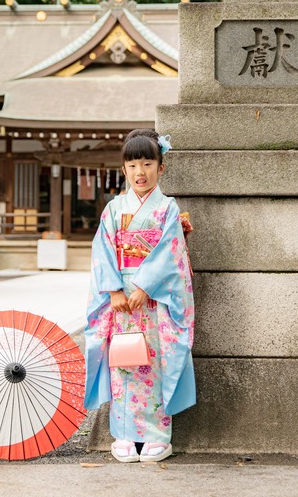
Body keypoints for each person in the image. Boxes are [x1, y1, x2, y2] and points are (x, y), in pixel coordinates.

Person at [83, 129, 196, 464]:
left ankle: (157, 436)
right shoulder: (114, 209)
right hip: (120, 302)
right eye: (132, 165)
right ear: (124, 170)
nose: (140, 172)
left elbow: (171, 253)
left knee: (157, 362)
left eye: (148, 163)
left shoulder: (168, 210)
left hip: (155, 302)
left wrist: (145, 287)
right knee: (124, 363)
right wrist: (115, 289)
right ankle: (125, 435)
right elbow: (102, 250)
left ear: (161, 168)